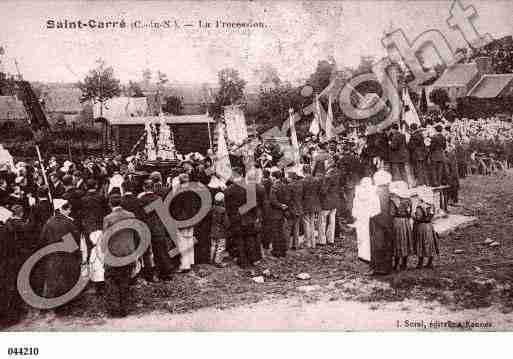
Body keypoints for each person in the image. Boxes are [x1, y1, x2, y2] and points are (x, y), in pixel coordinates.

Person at [41, 199, 82, 315]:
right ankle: (65, 307)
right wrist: (76, 254)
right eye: (68, 209)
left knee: (54, 281)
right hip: (66, 256)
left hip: (52, 256)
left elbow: (42, 239)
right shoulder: (68, 223)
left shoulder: (48, 222)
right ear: (63, 209)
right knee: (67, 280)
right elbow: (74, 239)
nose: (70, 212)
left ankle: (54, 307)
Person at [103, 194, 137, 317]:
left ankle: (114, 309)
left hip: (113, 254)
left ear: (110, 204)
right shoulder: (131, 215)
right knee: (125, 280)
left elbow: (105, 238)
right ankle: (124, 309)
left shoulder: (108, 218)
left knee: (111, 281)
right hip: (128, 252)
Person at [370, 168, 394, 275]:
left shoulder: (375, 192)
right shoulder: (389, 192)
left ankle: (377, 267)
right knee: (387, 244)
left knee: (377, 245)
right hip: (387, 221)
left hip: (377, 221)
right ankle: (387, 267)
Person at [412, 186, 439, 269]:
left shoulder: (420, 207)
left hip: (421, 227)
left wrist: (413, 216)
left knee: (421, 243)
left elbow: (418, 217)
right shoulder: (432, 205)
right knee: (430, 243)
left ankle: (420, 262)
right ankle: (430, 262)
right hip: (429, 226)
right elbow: (433, 215)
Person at [389, 181, 413, 271]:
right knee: (405, 240)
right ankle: (404, 263)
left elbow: (391, 213)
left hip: (397, 222)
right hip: (406, 222)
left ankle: (396, 264)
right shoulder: (408, 200)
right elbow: (410, 212)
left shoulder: (394, 200)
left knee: (397, 241)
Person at [269, 170, 289, 257]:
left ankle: (276, 251)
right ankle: (283, 250)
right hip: (282, 212)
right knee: (281, 231)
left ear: (274, 177)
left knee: (275, 232)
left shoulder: (274, 187)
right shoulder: (284, 186)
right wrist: (284, 205)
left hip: (275, 212)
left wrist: (280, 205)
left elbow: (272, 200)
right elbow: (287, 198)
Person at [302, 164, 322, 248]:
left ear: (303, 171)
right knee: (312, 223)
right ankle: (313, 242)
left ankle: (308, 243)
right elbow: (319, 191)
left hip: (306, 203)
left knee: (306, 223)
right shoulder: (316, 180)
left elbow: (301, 194)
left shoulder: (303, 181)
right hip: (315, 203)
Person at [319, 166, 340, 245]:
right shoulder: (337, 178)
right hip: (335, 202)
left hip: (327, 202)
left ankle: (322, 240)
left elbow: (323, 191)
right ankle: (331, 239)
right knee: (332, 221)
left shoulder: (328, 178)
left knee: (322, 221)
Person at [210, 192, 229, 267]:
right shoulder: (223, 210)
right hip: (221, 231)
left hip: (213, 229)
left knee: (213, 245)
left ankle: (211, 259)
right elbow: (226, 222)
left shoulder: (212, 208)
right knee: (221, 246)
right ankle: (218, 261)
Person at [286, 171, 304, 249]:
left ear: (291, 178)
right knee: (296, 228)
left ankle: (286, 245)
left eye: (288, 177)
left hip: (291, 209)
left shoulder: (289, 186)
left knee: (288, 227)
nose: (287, 178)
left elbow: (287, 199)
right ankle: (296, 245)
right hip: (299, 208)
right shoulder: (300, 185)